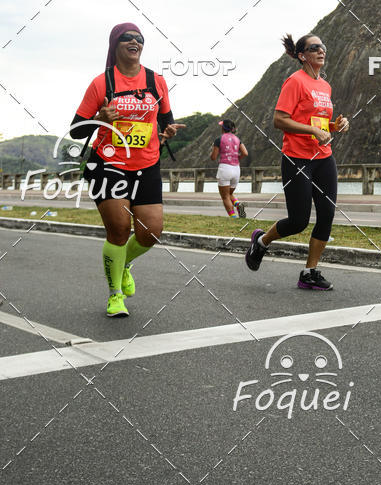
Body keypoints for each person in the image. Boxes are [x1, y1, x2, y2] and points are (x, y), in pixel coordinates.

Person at [70, 22, 185, 317]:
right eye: (127, 38)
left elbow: (165, 119)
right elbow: (76, 131)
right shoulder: (102, 83)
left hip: (146, 164)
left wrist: (168, 130)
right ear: (115, 44)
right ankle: (115, 295)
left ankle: (125, 265)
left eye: (139, 38)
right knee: (119, 231)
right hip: (107, 164)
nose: (135, 41)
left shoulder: (156, 81)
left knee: (151, 232)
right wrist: (100, 118)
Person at [244, 33, 349, 289]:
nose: (321, 50)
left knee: (327, 215)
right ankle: (261, 241)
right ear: (302, 55)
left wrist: (335, 126)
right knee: (298, 221)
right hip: (297, 158)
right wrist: (313, 131)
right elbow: (280, 120)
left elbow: (320, 123)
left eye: (323, 46)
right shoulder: (295, 82)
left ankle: (309, 273)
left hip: (323, 157)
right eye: (315, 48)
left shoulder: (325, 85)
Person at [210, 119, 248, 217]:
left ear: (223, 128)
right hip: (236, 169)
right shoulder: (237, 139)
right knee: (229, 194)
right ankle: (237, 204)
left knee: (225, 197)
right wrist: (237, 157)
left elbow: (213, 157)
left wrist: (213, 149)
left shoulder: (219, 139)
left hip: (225, 168)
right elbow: (245, 153)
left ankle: (233, 217)